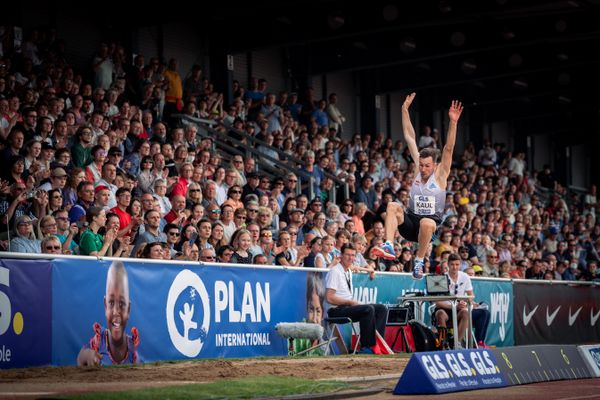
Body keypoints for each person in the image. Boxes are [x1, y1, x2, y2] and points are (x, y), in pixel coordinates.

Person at [373, 93, 463, 279]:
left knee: (427, 222)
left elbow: (448, 148)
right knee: (392, 206)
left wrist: (453, 123)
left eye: (426, 166)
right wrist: (404, 109)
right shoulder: (417, 169)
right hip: (410, 222)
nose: (422, 169)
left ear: (435, 165)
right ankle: (388, 244)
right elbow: (409, 136)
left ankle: (419, 260)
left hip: (427, 227)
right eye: (420, 165)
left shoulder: (441, 174)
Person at [325, 243, 387, 354]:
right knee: (368, 309)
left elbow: (355, 267)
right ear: (341, 255)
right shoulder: (335, 271)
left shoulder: (348, 270)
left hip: (347, 307)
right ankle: (367, 347)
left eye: (353, 255)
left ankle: (377, 343)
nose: (350, 258)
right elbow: (329, 298)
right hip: (336, 311)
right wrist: (349, 301)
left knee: (381, 309)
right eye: (347, 255)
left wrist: (370, 270)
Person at [77, 261, 139, 366]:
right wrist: (86, 356)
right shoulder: (98, 342)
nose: (115, 312)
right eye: (111, 303)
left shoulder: (133, 347)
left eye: (122, 304)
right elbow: (81, 357)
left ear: (128, 309)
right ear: (105, 305)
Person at [434, 254, 490, 348]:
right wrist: (453, 306)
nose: (455, 267)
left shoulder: (465, 277)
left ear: (460, 265)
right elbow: (437, 302)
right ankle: (442, 342)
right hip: (445, 308)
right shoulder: (441, 278)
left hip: (460, 309)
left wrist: (465, 301)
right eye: (452, 264)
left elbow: (471, 296)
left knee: (465, 312)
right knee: (440, 314)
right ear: (448, 264)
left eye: (457, 264)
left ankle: (457, 343)